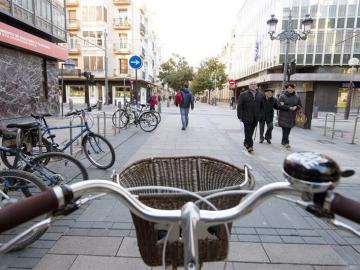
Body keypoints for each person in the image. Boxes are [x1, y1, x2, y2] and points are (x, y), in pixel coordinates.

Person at [237, 81, 263, 153]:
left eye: (255, 84)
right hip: (246, 116)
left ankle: (246, 142)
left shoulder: (260, 95)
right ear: (249, 86)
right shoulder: (243, 94)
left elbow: (262, 106)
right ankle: (250, 146)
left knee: (251, 132)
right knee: (248, 131)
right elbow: (239, 106)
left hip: (255, 117)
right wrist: (240, 116)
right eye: (251, 84)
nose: (253, 85)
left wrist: (260, 115)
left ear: (257, 86)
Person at [277, 83, 302, 148]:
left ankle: (283, 141)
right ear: (286, 89)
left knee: (288, 129)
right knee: (285, 129)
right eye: (289, 88)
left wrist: (296, 107)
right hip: (283, 116)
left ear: (294, 89)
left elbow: (300, 105)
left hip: (292, 116)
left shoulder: (297, 96)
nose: (290, 89)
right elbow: (279, 106)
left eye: (292, 88)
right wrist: (289, 108)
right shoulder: (282, 96)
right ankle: (286, 142)